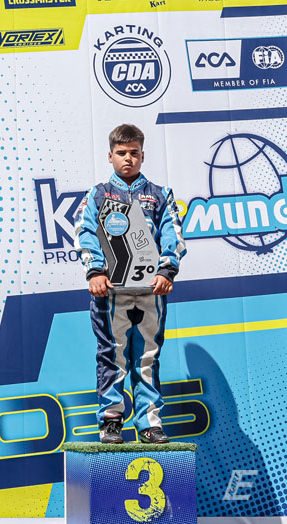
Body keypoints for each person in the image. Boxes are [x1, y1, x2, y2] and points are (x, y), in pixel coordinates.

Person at [73, 124, 186, 444]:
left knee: (147, 357)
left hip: (151, 292)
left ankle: (150, 422)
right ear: (109, 156)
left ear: (143, 156)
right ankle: (111, 421)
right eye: (121, 153)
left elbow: (173, 234)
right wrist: (95, 272)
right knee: (112, 356)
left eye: (134, 153)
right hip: (111, 293)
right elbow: (84, 232)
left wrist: (167, 270)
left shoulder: (160, 194)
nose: (128, 159)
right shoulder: (97, 194)